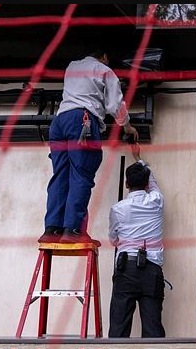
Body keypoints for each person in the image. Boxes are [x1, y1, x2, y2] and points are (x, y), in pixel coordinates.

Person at [38, 48, 139, 244]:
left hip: (59, 123)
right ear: (105, 56)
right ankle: (73, 230)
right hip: (81, 121)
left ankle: (52, 228)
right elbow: (114, 105)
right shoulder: (104, 70)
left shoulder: (72, 67)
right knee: (81, 174)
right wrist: (127, 126)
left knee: (60, 174)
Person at [104, 143, 165, 349]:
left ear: (127, 184)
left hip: (125, 269)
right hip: (151, 270)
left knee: (119, 330)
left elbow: (113, 238)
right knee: (153, 331)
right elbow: (153, 183)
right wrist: (142, 160)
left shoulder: (118, 209)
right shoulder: (156, 201)